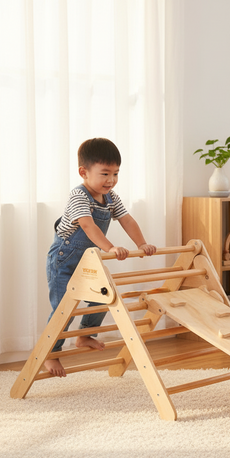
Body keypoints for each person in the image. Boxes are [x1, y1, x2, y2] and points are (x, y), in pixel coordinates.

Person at [44, 138, 157, 378]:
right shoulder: (79, 196)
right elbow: (88, 227)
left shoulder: (111, 198)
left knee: (103, 297)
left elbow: (127, 220)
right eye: (105, 174)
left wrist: (142, 243)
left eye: (116, 173)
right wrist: (110, 248)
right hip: (64, 260)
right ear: (84, 172)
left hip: (89, 259)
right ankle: (50, 352)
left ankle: (85, 335)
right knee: (64, 308)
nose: (111, 180)